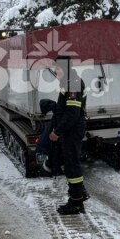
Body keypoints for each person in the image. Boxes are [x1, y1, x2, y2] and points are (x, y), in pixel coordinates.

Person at [49, 59, 89, 215]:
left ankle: (76, 202)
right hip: (69, 130)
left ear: (65, 68)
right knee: (68, 163)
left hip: (72, 130)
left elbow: (72, 114)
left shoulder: (73, 83)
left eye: (57, 69)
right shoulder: (68, 81)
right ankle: (80, 192)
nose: (55, 72)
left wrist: (57, 132)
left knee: (72, 165)